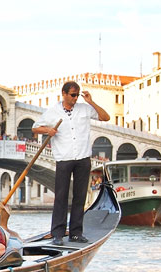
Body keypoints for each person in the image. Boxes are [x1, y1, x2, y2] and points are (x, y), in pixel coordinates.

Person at [32, 81, 110, 246]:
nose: (75, 98)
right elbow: (35, 128)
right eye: (73, 95)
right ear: (64, 94)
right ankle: (58, 234)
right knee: (61, 197)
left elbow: (105, 117)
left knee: (80, 197)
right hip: (64, 159)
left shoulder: (85, 109)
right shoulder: (53, 112)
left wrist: (90, 101)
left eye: (77, 95)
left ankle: (76, 233)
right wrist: (48, 130)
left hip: (83, 158)